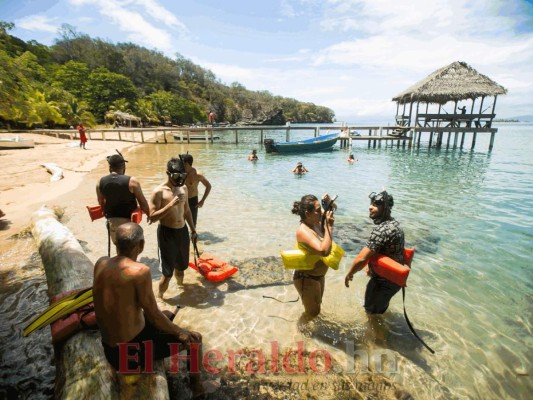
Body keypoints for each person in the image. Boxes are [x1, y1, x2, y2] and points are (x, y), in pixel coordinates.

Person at [93, 223, 206, 396]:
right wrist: (181, 333)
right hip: (128, 356)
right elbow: (153, 316)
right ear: (142, 244)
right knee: (195, 339)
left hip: (109, 348)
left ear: (116, 244)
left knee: (167, 315)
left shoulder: (101, 263)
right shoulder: (140, 271)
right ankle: (197, 389)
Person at [344, 191, 405, 316]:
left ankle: (378, 336)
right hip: (393, 282)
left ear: (386, 208)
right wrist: (373, 268)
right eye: (371, 203)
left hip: (382, 284)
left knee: (372, 315)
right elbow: (390, 253)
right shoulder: (396, 225)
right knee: (379, 311)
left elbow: (361, 259)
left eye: (376, 205)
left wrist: (350, 273)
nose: (370, 207)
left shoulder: (381, 230)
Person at [149, 157, 197, 296]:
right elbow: (152, 217)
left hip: (182, 231)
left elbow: (187, 210)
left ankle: (182, 290)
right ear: (167, 173)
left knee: (181, 268)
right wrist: (170, 205)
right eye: (176, 175)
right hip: (167, 234)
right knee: (167, 273)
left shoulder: (183, 188)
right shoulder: (158, 192)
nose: (179, 178)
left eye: (182, 175)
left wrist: (193, 230)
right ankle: (160, 298)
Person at [291, 194, 336, 318]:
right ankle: (301, 333)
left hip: (318, 276)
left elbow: (329, 212)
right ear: (307, 213)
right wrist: (329, 227)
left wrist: (329, 204)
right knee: (312, 313)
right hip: (306, 278)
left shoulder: (315, 222)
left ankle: (309, 333)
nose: (321, 212)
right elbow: (324, 251)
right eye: (318, 210)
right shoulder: (303, 231)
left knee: (316, 309)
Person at [96, 151, 150, 246]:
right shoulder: (132, 182)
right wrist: (150, 216)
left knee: (119, 249)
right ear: (124, 167)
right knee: (132, 250)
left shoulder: (100, 182)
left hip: (112, 221)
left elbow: (101, 202)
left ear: (110, 167)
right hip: (129, 223)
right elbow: (143, 203)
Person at [181, 153, 211, 227]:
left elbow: (208, 186)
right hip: (182, 200)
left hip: (192, 200)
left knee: (193, 224)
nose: (182, 167)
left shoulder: (198, 175)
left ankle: (193, 236)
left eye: (184, 164)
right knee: (180, 222)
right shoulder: (180, 173)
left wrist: (202, 200)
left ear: (189, 164)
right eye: (181, 164)